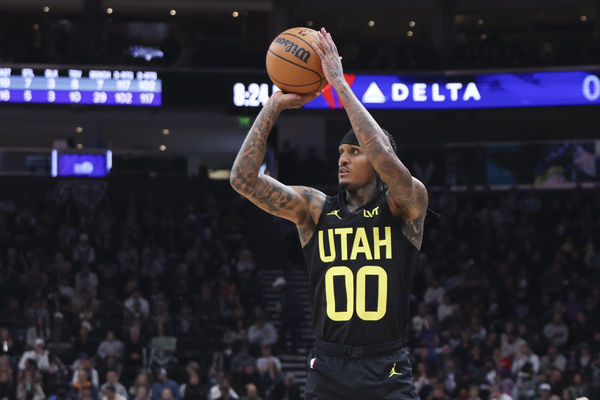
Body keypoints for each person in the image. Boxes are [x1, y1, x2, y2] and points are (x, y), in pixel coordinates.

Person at [230, 27, 427, 399]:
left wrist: (338, 83)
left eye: (354, 151)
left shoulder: (406, 203)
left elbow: (385, 155)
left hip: (387, 366)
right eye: (340, 152)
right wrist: (272, 106)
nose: (343, 158)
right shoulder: (315, 209)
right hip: (328, 366)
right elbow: (243, 180)